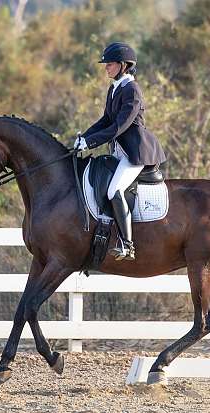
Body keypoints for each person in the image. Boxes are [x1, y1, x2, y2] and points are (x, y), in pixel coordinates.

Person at [74, 42, 167, 261]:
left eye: (110, 64)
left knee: (115, 190)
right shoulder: (115, 88)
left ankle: (128, 245)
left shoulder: (132, 90)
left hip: (135, 152)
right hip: (120, 150)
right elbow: (105, 120)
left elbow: (119, 126)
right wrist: (84, 138)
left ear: (123, 65)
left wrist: (91, 143)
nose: (106, 67)